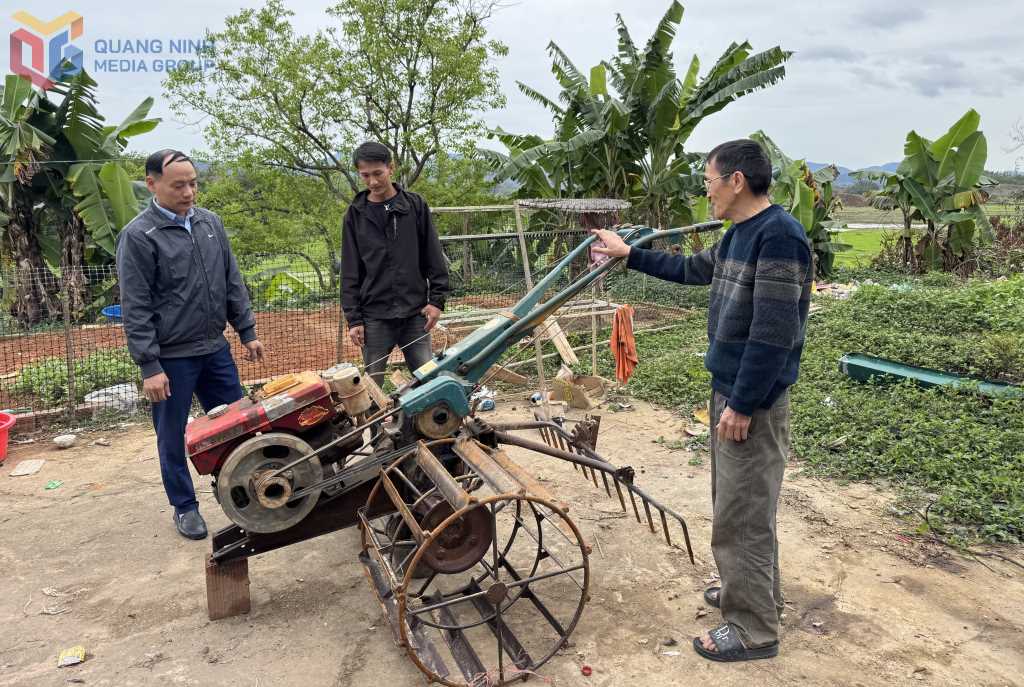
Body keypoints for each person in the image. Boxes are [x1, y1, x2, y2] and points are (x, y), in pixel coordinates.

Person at [592, 139, 813, 662]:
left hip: (750, 401)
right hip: (732, 391)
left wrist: (741, 403)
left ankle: (755, 629)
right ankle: (755, 595)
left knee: (742, 514)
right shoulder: (741, 233)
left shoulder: (780, 236)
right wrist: (630, 255)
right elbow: (693, 269)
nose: (706, 191)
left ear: (737, 180)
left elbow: (773, 333)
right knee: (738, 505)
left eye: (709, 181)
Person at [116, 149, 265, 541]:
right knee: (172, 435)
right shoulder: (138, 236)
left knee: (239, 424)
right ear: (152, 184)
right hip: (171, 357)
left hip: (214, 348)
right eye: (178, 185)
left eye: (193, 183)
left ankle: (249, 494)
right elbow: (136, 305)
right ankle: (185, 507)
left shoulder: (210, 224)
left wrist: (246, 331)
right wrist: (149, 364)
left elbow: (231, 280)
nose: (189, 192)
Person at [340, 141, 449, 386]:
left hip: (415, 314)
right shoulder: (355, 215)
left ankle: (421, 425)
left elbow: (433, 255)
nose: (373, 182)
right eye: (365, 176)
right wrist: (354, 319)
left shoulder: (414, 206)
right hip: (374, 317)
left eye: (378, 173)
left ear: (391, 168)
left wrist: (436, 301)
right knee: (372, 388)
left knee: (428, 381)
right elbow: (350, 271)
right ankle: (374, 426)